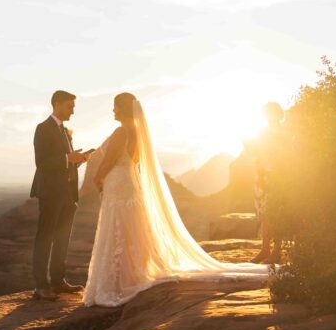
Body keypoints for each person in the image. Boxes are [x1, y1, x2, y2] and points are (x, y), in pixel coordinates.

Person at [83, 93, 269, 308]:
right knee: (128, 227)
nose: (112, 110)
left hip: (117, 183)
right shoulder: (136, 132)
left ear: (122, 108)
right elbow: (132, 161)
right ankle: (129, 275)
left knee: (116, 226)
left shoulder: (120, 131)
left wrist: (98, 179)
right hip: (129, 181)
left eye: (115, 106)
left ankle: (118, 281)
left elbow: (108, 161)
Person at [30, 90, 93, 301]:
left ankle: (58, 281)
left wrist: (79, 159)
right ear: (57, 104)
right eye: (70, 107)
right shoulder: (43, 129)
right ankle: (41, 285)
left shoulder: (65, 131)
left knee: (62, 238)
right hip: (50, 193)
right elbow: (42, 162)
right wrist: (68, 157)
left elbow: (64, 162)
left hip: (67, 194)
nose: (72, 111)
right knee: (45, 239)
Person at [250, 102, 286, 264]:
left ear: (277, 114)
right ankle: (265, 250)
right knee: (265, 213)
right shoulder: (263, 130)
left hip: (277, 175)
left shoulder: (282, 131)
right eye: (265, 113)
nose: (267, 116)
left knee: (276, 213)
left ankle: (276, 251)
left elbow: (282, 153)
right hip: (262, 174)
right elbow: (257, 150)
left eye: (270, 113)